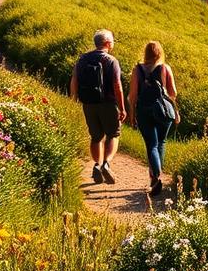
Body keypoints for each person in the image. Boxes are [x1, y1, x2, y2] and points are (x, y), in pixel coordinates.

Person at [70, 29, 126, 185]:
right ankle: (106, 163)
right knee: (113, 134)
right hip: (108, 103)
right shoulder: (111, 60)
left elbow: (74, 80)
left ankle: (97, 164)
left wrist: (74, 100)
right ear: (107, 43)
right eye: (112, 41)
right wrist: (122, 108)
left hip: (88, 103)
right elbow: (117, 85)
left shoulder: (82, 59)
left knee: (95, 137)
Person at [128, 41, 180, 196]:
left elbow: (132, 96)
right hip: (163, 111)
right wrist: (175, 111)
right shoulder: (165, 68)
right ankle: (156, 176)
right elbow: (173, 93)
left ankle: (155, 178)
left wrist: (132, 115)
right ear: (160, 53)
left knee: (151, 145)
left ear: (146, 53)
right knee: (161, 143)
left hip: (144, 111)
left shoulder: (137, 70)